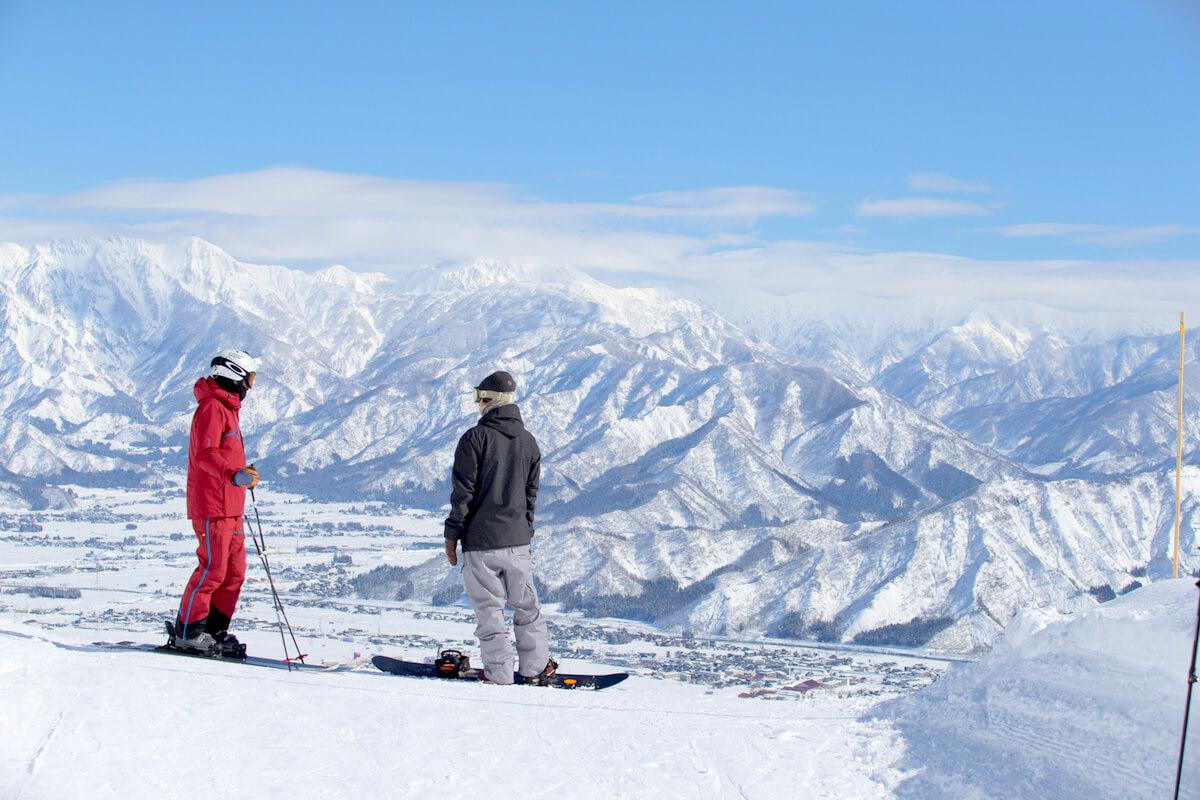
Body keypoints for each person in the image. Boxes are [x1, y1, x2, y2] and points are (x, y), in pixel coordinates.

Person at [444, 370, 555, 685]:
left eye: (479, 397)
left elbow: (462, 495)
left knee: (490, 613)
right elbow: (530, 496)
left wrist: (452, 535)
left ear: (487, 400)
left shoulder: (474, 439)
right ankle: (535, 669)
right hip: (518, 542)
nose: (477, 404)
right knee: (527, 608)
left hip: (481, 543)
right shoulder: (529, 442)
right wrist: (525, 532)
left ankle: (499, 675)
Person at [172, 349, 261, 656]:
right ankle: (188, 631)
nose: (249, 387)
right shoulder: (211, 408)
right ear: (235, 375)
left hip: (231, 507)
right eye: (248, 379)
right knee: (212, 569)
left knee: (234, 573)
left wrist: (242, 475)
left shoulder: (228, 409)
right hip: (213, 505)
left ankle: (212, 630)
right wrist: (233, 474)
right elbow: (205, 455)